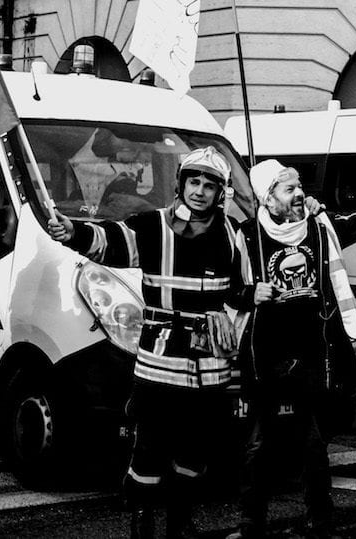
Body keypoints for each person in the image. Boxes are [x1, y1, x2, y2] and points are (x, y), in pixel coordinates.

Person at [48, 146, 250, 539]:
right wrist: (73, 232)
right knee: (150, 450)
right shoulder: (154, 226)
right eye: (194, 182)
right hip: (160, 364)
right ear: (181, 184)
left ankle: (181, 522)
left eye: (210, 185)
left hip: (210, 368)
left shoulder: (233, 235)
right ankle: (142, 521)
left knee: (194, 452)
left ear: (220, 193)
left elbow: (244, 291)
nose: (200, 191)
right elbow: (109, 240)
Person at [226, 149, 356, 539]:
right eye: (289, 188)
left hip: (311, 352)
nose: (297, 194)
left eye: (298, 187)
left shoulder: (320, 227)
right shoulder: (245, 237)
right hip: (267, 354)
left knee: (312, 444)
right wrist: (248, 295)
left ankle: (319, 522)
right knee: (258, 445)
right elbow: (227, 289)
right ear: (267, 197)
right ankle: (251, 523)